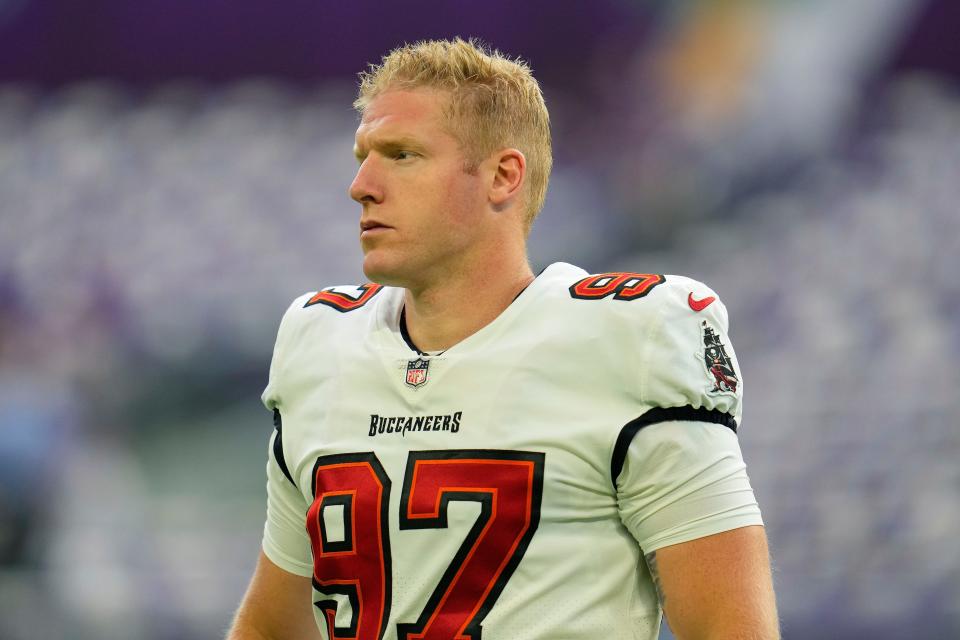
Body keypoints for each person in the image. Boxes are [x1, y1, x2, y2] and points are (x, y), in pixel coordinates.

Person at [227, 37, 779, 640]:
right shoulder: (320, 342)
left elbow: (732, 630)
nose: (361, 185)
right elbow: (271, 628)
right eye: (363, 155)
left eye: (402, 154)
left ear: (502, 176)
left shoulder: (632, 337)